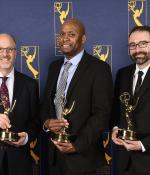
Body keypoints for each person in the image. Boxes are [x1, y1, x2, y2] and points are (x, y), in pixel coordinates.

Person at [41, 18, 113, 175]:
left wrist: (77, 145)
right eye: (62, 34)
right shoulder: (54, 67)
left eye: (71, 34)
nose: (65, 38)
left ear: (83, 39)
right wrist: (47, 122)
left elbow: (102, 114)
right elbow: (46, 105)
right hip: (54, 156)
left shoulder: (99, 69)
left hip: (82, 158)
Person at [112, 25, 150, 175]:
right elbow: (116, 108)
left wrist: (142, 144)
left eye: (143, 43)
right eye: (132, 45)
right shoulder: (123, 74)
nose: (137, 49)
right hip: (125, 162)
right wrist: (115, 128)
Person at [0, 33, 40, 175]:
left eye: (9, 49)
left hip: (19, 163)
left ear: (15, 53)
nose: (5, 54)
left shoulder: (30, 85)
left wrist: (26, 138)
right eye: (0, 49)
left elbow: (36, 121)